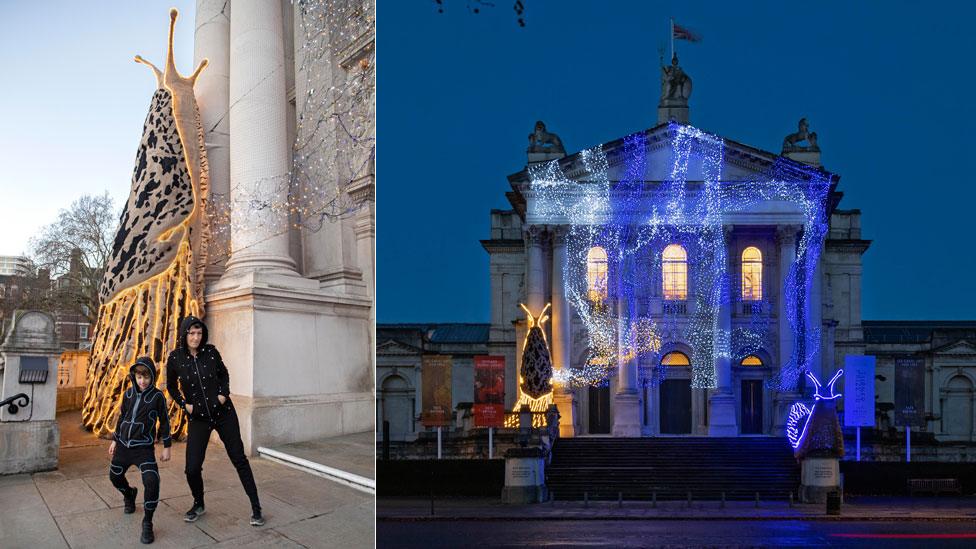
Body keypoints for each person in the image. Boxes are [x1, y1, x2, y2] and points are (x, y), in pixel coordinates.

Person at [165, 315, 264, 526]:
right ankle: (198, 503)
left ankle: (256, 508)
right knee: (191, 468)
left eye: (199, 333)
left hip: (223, 413)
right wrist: (185, 405)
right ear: (185, 334)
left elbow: (224, 375)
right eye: (191, 333)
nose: (196, 337)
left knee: (239, 458)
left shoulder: (211, 352)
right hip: (198, 417)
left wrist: (222, 395)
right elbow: (171, 386)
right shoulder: (175, 358)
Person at [109, 356, 172, 545]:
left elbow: (165, 422)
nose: (142, 381)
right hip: (123, 447)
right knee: (114, 477)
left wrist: (167, 446)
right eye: (139, 377)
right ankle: (129, 494)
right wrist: (114, 440)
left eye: (146, 377)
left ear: (152, 376)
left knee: (152, 480)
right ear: (134, 377)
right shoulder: (128, 394)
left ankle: (147, 522)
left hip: (143, 448)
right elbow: (122, 418)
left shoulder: (158, 396)